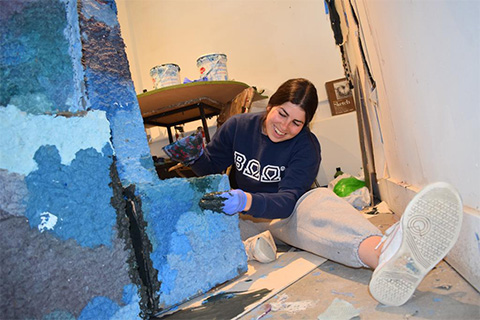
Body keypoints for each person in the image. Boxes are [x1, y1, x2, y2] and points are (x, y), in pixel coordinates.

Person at [163, 78, 463, 307]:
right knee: (202, 225)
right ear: (269, 107)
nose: (284, 126)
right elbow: (212, 168)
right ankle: (255, 246)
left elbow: (287, 201)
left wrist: (248, 199)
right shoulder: (238, 127)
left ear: (306, 124)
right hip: (242, 218)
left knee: (317, 202)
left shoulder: (306, 146)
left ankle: (385, 255)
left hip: (285, 214)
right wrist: (194, 159)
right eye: (281, 114)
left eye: (296, 122)